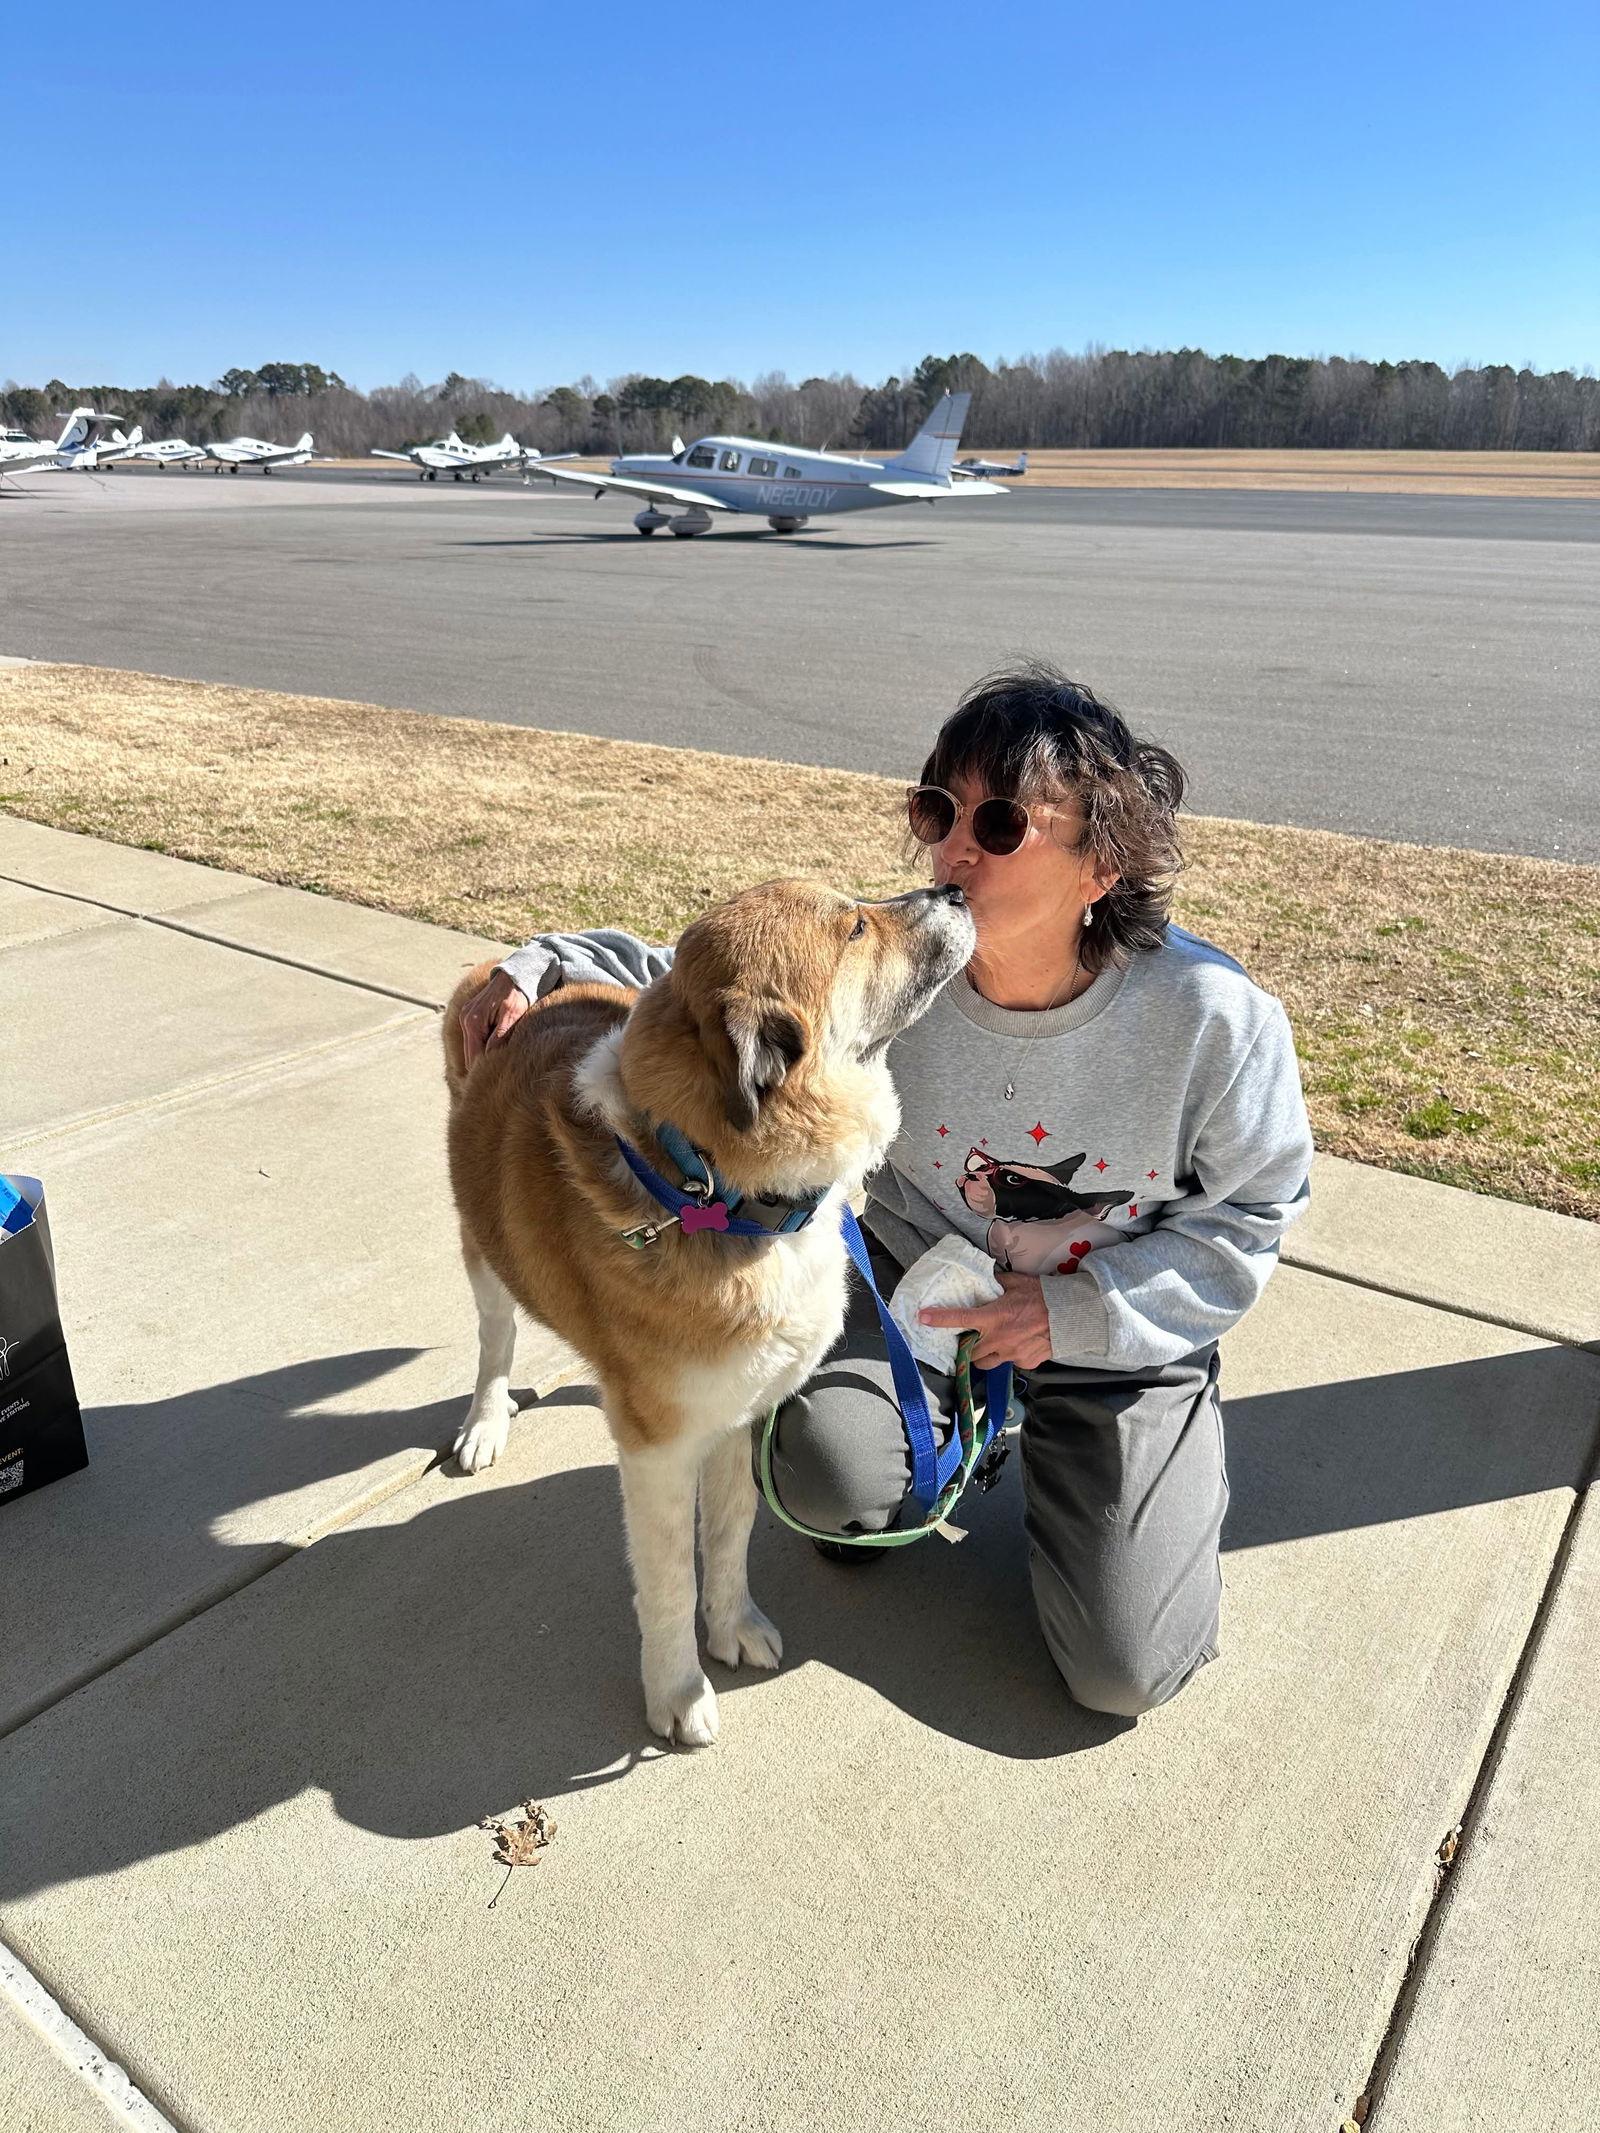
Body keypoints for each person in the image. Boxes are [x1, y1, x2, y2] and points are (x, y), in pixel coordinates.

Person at [457, 662, 1314, 1720]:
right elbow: (705, 982)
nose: (952, 852)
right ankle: (962, 1436)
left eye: (1000, 824)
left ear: (1102, 863)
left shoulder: (1214, 1020)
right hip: (922, 1294)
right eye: (937, 810)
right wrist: (536, 964)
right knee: (827, 1487)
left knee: (1121, 1673)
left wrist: (1076, 1316)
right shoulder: (902, 967)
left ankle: (1121, 1457)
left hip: (1114, 1332)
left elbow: (1251, 1217)